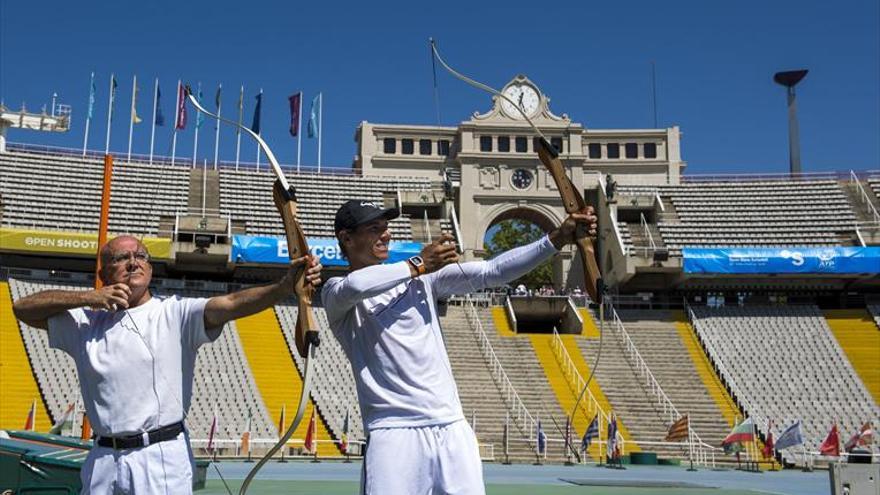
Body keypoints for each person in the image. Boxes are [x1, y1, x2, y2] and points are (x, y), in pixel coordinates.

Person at [322, 199, 597, 495]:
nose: (385, 234)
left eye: (386, 227)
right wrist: (418, 263)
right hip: (393, 433)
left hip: (452, 427)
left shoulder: (423, 279)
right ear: (346, 238)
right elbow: (356, 287)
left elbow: (493, 271)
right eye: (374, 228)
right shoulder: (336, 291)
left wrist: (557, 238)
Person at [12, 235, 322, 494]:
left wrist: (283, 288)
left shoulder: (174, 314)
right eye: (121, 258)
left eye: (140, 256)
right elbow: (22, 307)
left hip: (158, 455)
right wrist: (88, 297)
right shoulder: (86, 322)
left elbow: (229, 305)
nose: (133, 262)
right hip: (104, 457)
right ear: (104, 272)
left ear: (149, 267)